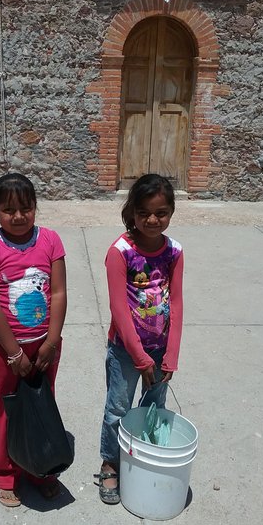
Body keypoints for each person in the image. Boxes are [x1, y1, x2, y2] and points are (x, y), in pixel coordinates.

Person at [0, 172, 67, 507]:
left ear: (35, 207)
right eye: (8, 210)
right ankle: (4, 473)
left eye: (26, 208)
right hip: (5, 351)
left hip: (44, 348)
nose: (18, 216)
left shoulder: (50, 240)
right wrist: (14, 353)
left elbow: (58, 293)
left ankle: (41, 469)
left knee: (41, 407)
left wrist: (51, 343)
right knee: (10, 410)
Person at [97, 174, 184, 504]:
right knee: (117, 409)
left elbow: (177, 303)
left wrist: (170, 354)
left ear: (171, 212)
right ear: (132, 212)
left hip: (160, 349)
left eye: (161, 213)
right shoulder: (120, 252)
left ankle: (145, 460)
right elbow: (119, 308)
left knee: (153, 408)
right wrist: (139, 356)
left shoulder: (174, 251)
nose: (152, 220)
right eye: (144, 213)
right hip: (125, 350)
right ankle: (110, 463)